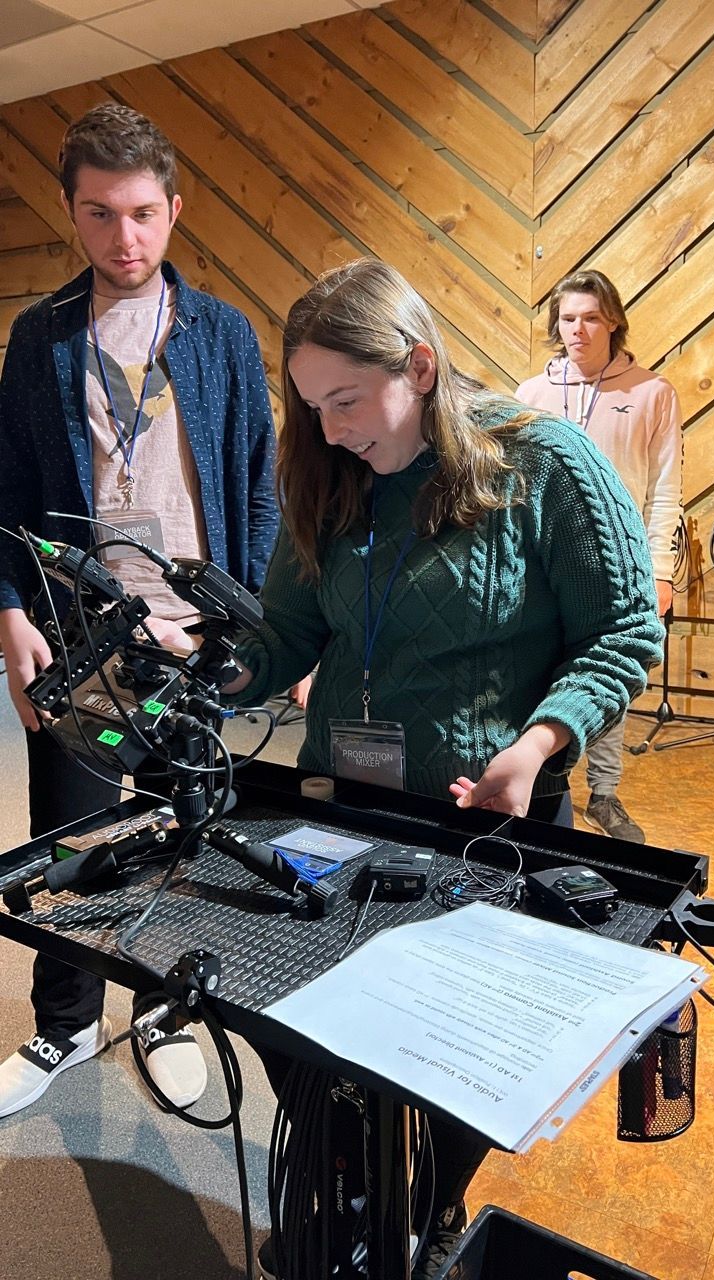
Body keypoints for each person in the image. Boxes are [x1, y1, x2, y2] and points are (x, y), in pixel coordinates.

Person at [218, 258, 664, 1278]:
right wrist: (217, 672)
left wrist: (540, 740)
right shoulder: (327, 471)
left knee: (446, 1065)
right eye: (310, 403)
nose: (328, 428)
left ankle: (434, 1200)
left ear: (419, 365)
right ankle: (352, 1186)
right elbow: (287, 630)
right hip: (341, 805)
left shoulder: (544, 461)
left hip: (486, 826)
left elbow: (624, 629)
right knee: (305, 1031)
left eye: (344, 398)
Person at [0, 103, 279, 1118]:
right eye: (100, 213)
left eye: (144, 213)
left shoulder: (226, 334)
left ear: (174, 209)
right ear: (72, 213)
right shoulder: (38, 339)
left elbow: (258, 488)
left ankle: (165, 1009)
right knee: (72, 840)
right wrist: (7, 613)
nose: (125, 239)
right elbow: (6, 497)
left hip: (195, 639)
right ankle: (65, 1022)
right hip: (82, 640)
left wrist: (262, 624)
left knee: (187, 836)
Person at [515, 269, 682, 843]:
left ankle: (605, 793)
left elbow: (665, 491)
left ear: (612, 320)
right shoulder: (532, 395)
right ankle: (540, 784)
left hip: (621, 565)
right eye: (567, 319)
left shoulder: (652, 393)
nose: (578, 330)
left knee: (610, 676)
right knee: (538, 674)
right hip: (542, 568)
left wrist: (659, 573)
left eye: (590, 317)